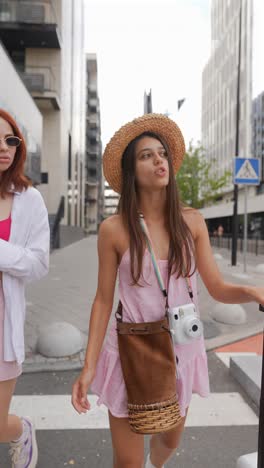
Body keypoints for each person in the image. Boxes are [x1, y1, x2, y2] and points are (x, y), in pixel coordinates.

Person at [71, 114, 264, 468]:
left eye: (161, 153)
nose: (159, 160)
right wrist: (88, 367)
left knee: (170, 439)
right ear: (132, 171)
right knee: (127, 462)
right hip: (133, 350)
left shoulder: (191, 221)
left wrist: (252, 292)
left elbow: (217, 287)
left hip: (181, 348)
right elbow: (102, 300)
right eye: (146, 155)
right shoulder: (114, 229)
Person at [0, 109, 50, 468]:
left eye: (11, 140)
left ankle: (19, 430)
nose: (4, 147)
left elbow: (38, 264)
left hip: (3, 328)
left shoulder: (29, 199)